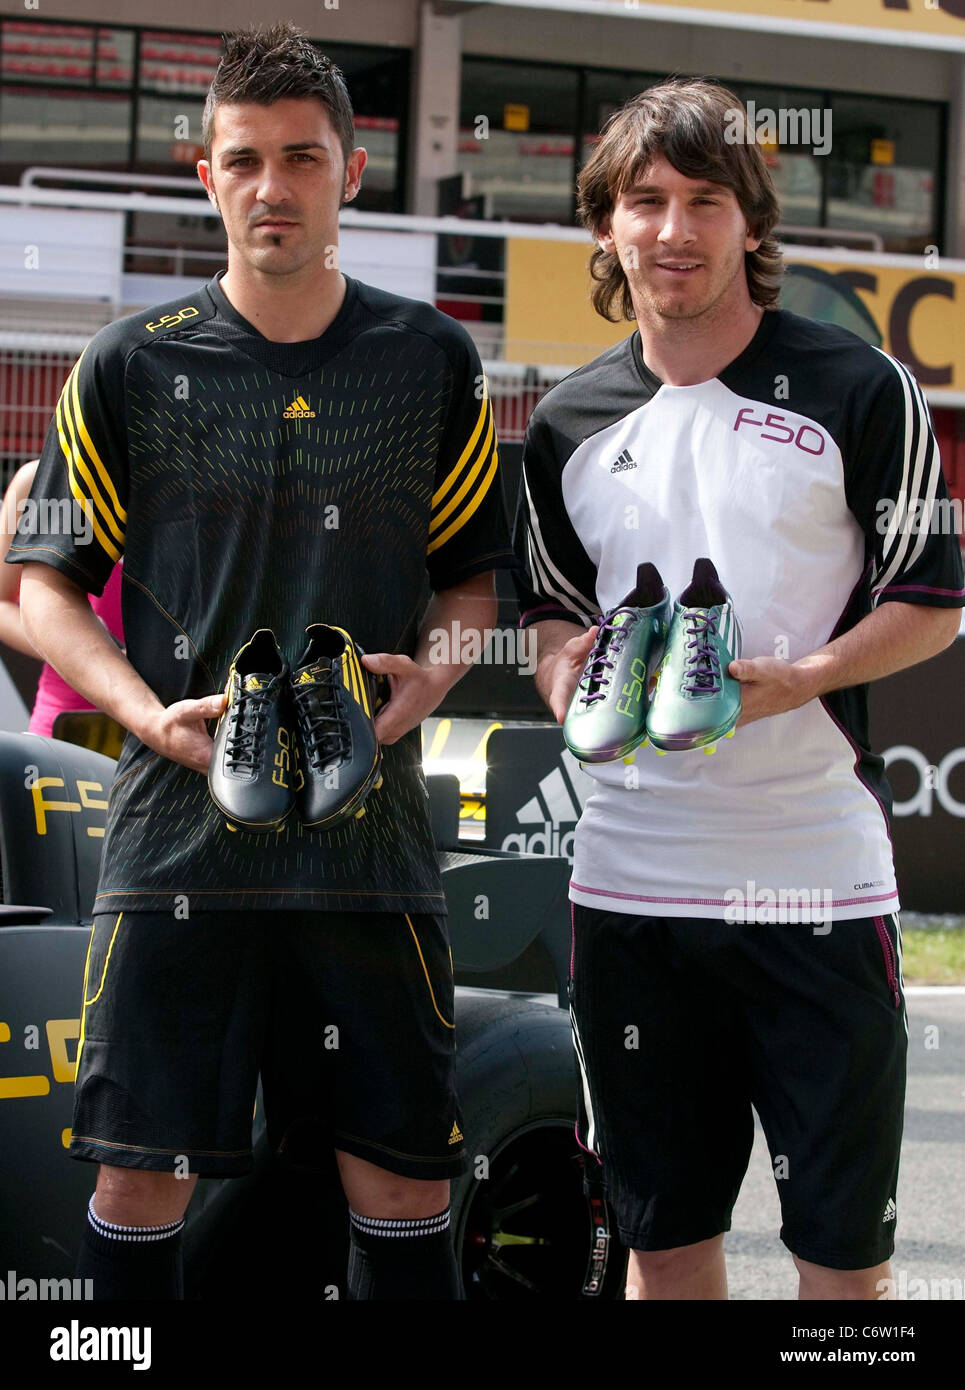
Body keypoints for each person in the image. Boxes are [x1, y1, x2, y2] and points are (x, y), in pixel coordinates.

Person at [9, 22, 516, 1301]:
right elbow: (45, 588)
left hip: (370, 844)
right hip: (176, 838)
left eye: (302, 158)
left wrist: (428, 684)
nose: (272, 188)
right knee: (132, 1182)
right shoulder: (128, 363)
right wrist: (142, 713)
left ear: (352, 171)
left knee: (401, 1184)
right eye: (244, 160)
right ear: (207, 176)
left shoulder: (431, 360)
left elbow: (470, 578)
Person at [513, 78, 964, 1301]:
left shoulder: (861, 389)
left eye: (704, 200)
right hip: (629, 886)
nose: (672, 229)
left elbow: (929, 596)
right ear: (602, 227)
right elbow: (553, 611)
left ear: (751, 225)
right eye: (642, 200)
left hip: (816, 874)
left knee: (842, 1260)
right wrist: (569, 685)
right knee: (663, 1250)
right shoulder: (564, 423)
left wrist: (802, 677)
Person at [0, 459, 124, 736]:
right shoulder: (34, 479)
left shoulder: (184, 480)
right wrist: (82, 648)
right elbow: (1, 606)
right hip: (65, 725)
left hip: (171, 730)